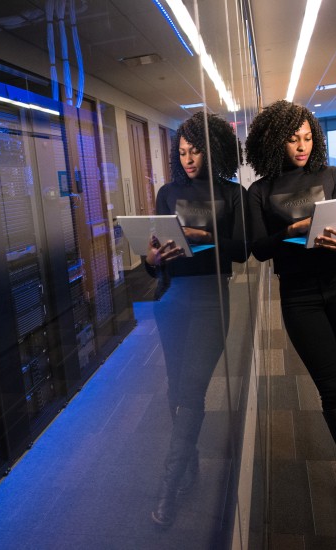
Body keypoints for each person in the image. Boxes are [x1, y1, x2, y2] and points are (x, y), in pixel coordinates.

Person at [244, 99, 336, 537]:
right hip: (300, 296)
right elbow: (258, 248)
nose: (303, 146)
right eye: (293, 139)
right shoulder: (260, 191)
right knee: (332, 390)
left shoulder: (333, 177)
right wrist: (290, 231)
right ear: (275, 140)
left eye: (309, 137)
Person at [144, 111, 249, 527]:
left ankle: (169, 486)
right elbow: (152, 259)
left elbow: (242, 251)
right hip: (172, 298)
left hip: (211, 300)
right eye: (183, 152)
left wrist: (205, 237)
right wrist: (152, 260)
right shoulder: (167, 193)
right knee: (176, 390)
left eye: (196, 151)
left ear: (213, 149)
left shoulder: (231, 193)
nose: (189, 159)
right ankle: (189, 464)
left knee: (191, 390)